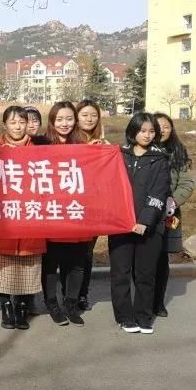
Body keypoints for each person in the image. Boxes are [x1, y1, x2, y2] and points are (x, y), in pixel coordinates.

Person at [0, 106, 51, 330]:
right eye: (13, 122)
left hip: (30, 218)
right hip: (4, 220)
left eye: (22, 122)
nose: (18, 127)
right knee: (4, 270)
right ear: (4, 125)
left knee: (27, 269)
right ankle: (6, 306)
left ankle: (22, 307)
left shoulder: (40, 149)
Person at [109, 113, 170, 334]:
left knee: (145, 274)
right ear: (133, 131)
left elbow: (159, 192)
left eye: (152, 131)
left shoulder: (160, 159)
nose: (147, 135)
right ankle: (124, 317)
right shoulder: (118, 155)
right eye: (143, 130)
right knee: (120, 274)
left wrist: (145, 220)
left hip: (148, 227)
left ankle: (144, 316)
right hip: (120, 225)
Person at [41, 101, 91, 326]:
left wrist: (100, 150)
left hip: (76, 212)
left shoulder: (84, 145)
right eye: (59, 119)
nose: (64, 124)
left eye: (69, 119)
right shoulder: (41, 144)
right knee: (51, 264)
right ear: (52, 121)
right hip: (51, 213)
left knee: (77, 263)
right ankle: (52, 304)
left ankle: (70, 304)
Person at [153, 112, 195, 318]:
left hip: (168, 213)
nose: (162, 130)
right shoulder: (140, 150)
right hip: (144, 212)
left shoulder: (178, 152)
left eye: (166, 126)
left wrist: (174, 200)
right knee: (142, 259)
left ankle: (158, 301)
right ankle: (143, 299)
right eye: (158, 126)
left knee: (161, 259)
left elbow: (187, 183)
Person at [72, 98, 109, 311]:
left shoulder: (103, 144)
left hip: (92, 207)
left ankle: (82, 294)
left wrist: (103, 152)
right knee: (69, 253)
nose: (89, 119)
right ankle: (68, 293)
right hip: (70, 205)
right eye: (84, 115)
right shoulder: (69, 141)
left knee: (86, 253)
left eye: (93, 115)